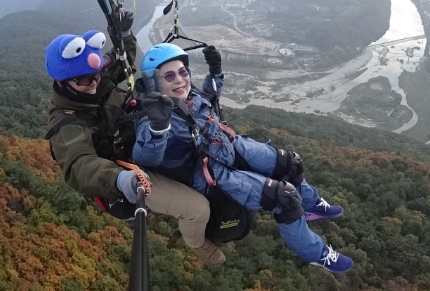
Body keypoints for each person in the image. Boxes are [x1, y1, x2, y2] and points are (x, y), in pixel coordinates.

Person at [131, 43, 353, 273]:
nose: (179, 79)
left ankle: (312, 205)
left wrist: (215, 72)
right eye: (169, 76)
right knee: (285, 198)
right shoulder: (155, 117)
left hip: (228, 146)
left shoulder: (186, 94)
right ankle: (316, 254)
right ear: (153, 82)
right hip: (213, 173)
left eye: (183, 72)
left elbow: (208, 98)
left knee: (290, 162)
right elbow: (145, 157)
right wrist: (158, 127)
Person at [43, 24, 226, 265]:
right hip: (130, 169)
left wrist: (125, 34)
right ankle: (200, 246)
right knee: (197, 209)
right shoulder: (68, 123)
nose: (94, 83)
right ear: (63, 82)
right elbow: (79, 164)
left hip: (148, 133)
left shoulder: (92, 77)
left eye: (96, 76)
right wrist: (118, 179)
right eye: (85, 81)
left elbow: (122, 60)